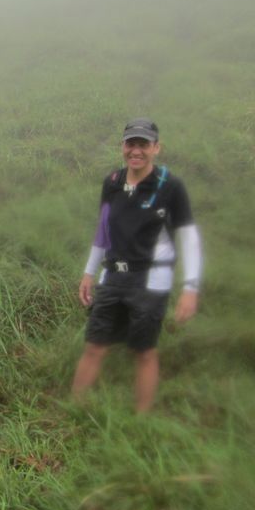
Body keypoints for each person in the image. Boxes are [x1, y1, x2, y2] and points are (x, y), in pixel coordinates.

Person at [70, 118, 202, 413]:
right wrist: (89, 272)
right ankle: (74, 409)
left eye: (144, 144)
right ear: (123, 146)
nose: (136, 151)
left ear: (156, 148)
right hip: (112, 277)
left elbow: (188, 237)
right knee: (94, 345)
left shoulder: (171, 187)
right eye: (131, 144)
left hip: (151, 281)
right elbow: (103, 230)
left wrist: (190, 287)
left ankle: (141, 419)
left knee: (143, 352)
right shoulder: (112, 183)